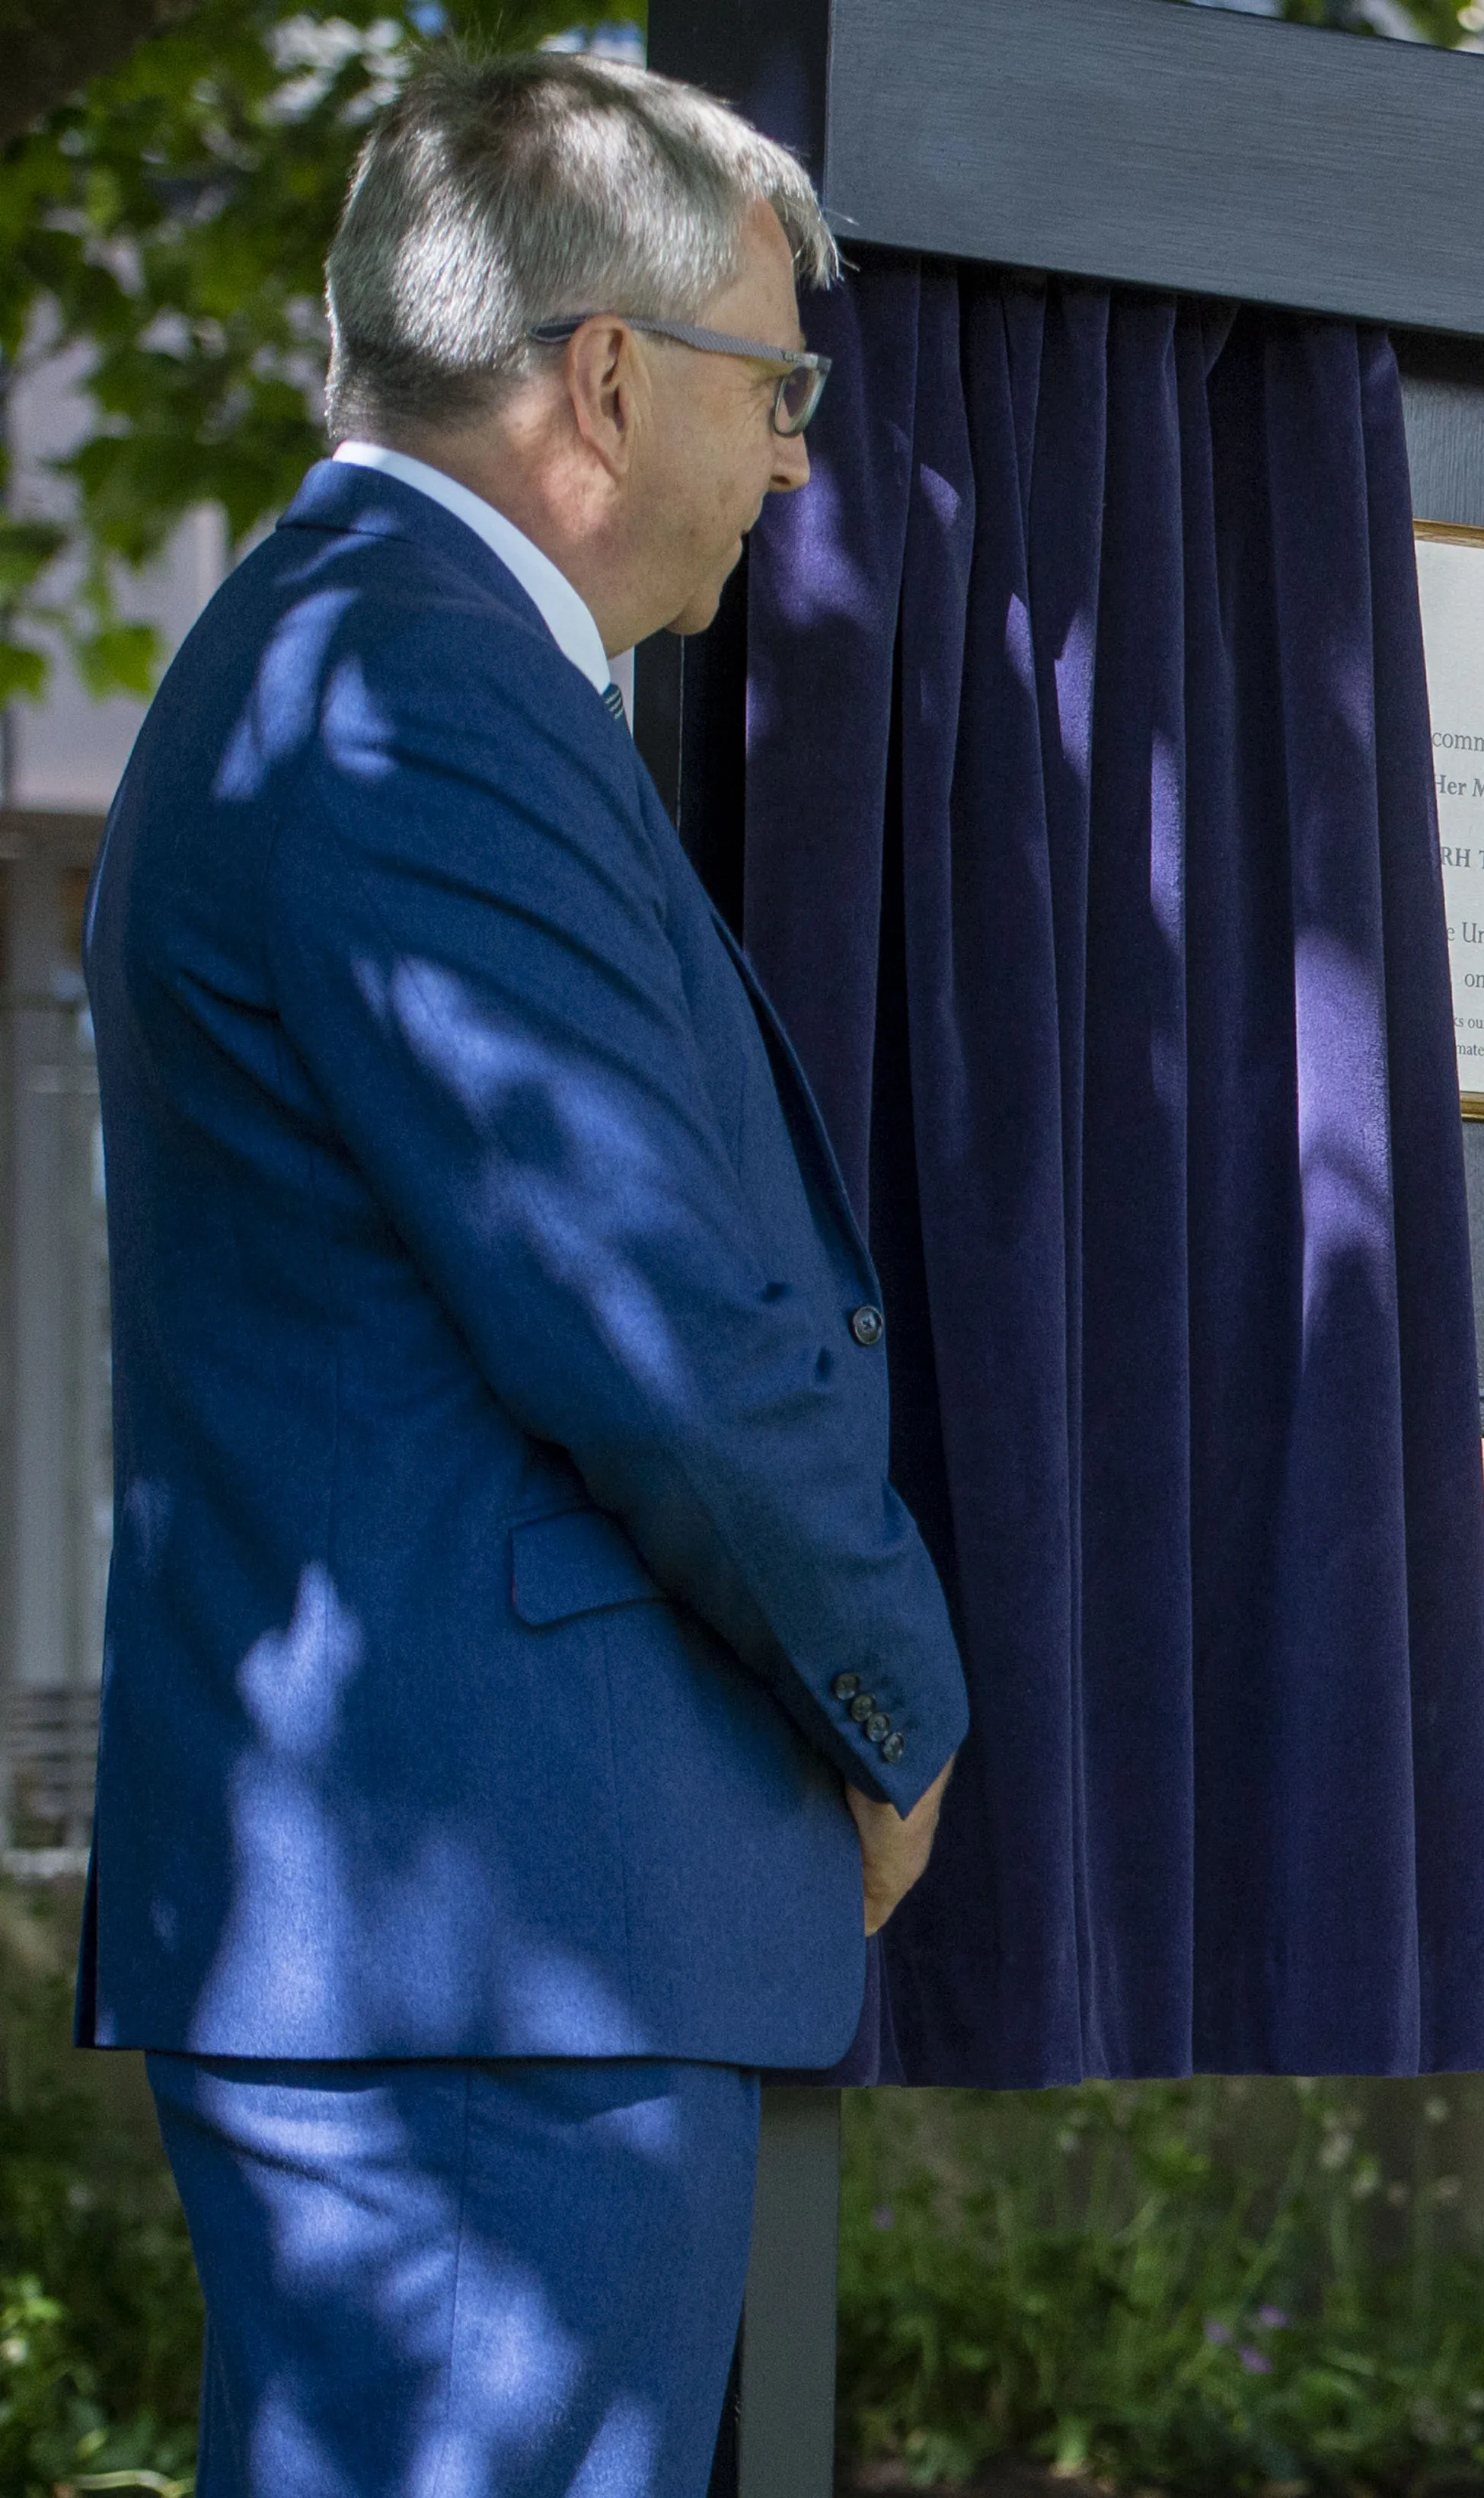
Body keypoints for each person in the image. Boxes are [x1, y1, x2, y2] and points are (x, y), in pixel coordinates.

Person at [76, 53, 967, 2498]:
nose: (794, 465)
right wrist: (890, 1702)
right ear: (604, 379)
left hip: (461, 1934)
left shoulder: (361, 659)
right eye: (776, 389)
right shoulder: (420, 696)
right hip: (491, 1939)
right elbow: (651, 1316)